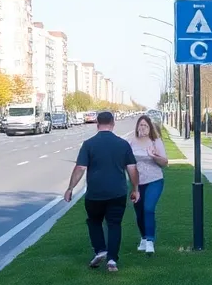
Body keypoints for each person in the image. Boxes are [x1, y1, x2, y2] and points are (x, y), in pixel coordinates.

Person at [64, 110, 139, 272]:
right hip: (117, 192)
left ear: (97, 124)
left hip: (95, 193)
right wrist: (135, 189)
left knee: (94, 221)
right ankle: (112, 260)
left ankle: (100, 250)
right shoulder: (123, 144)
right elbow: (132, 168)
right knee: (114, 224)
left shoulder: (88, 144)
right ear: (113, 124)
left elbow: (80, 168)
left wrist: (70, 188)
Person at [127, 114, 169, 254]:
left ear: (150, 127)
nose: (143, 127)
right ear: (137, 127)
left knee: (148, 208)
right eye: (141, 125)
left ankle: (150, 240)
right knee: (139, 211)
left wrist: (153, 156)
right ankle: (144, 238)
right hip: (137, 183)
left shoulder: (155, 141)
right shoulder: (131, 142)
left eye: (145, 125)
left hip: (154, 180)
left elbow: (164, 162)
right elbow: (126, 161)